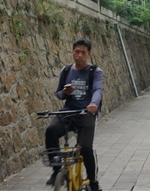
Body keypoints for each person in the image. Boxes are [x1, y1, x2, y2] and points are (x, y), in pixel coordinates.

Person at [45, 38, 103, 191]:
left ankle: (93, 181)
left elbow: (98, 90)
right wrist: (64, 92)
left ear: (88, 54)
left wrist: (93, 104)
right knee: (50, 130)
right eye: (77, 52)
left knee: (85, 147)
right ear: (72, 52)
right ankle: (56, 170)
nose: (79, 55)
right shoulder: (66, 70)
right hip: (68, 112)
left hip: (86, 114)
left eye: (83, 52)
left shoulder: (94, 71)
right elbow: (59, 94)